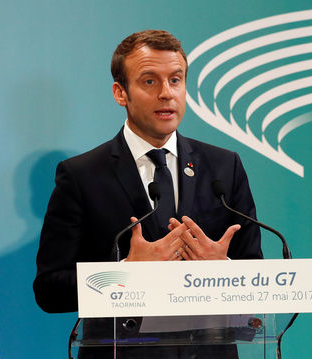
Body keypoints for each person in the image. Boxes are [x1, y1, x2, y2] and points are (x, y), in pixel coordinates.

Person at [33, 29, 263, 358]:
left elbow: (260, 278)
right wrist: (126, 272)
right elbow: (49, 290)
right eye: (150, 81)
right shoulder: (81, 175)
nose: (167, 94)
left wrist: (223, 269)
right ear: (120, 92)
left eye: (176, 80)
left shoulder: (224, 168)